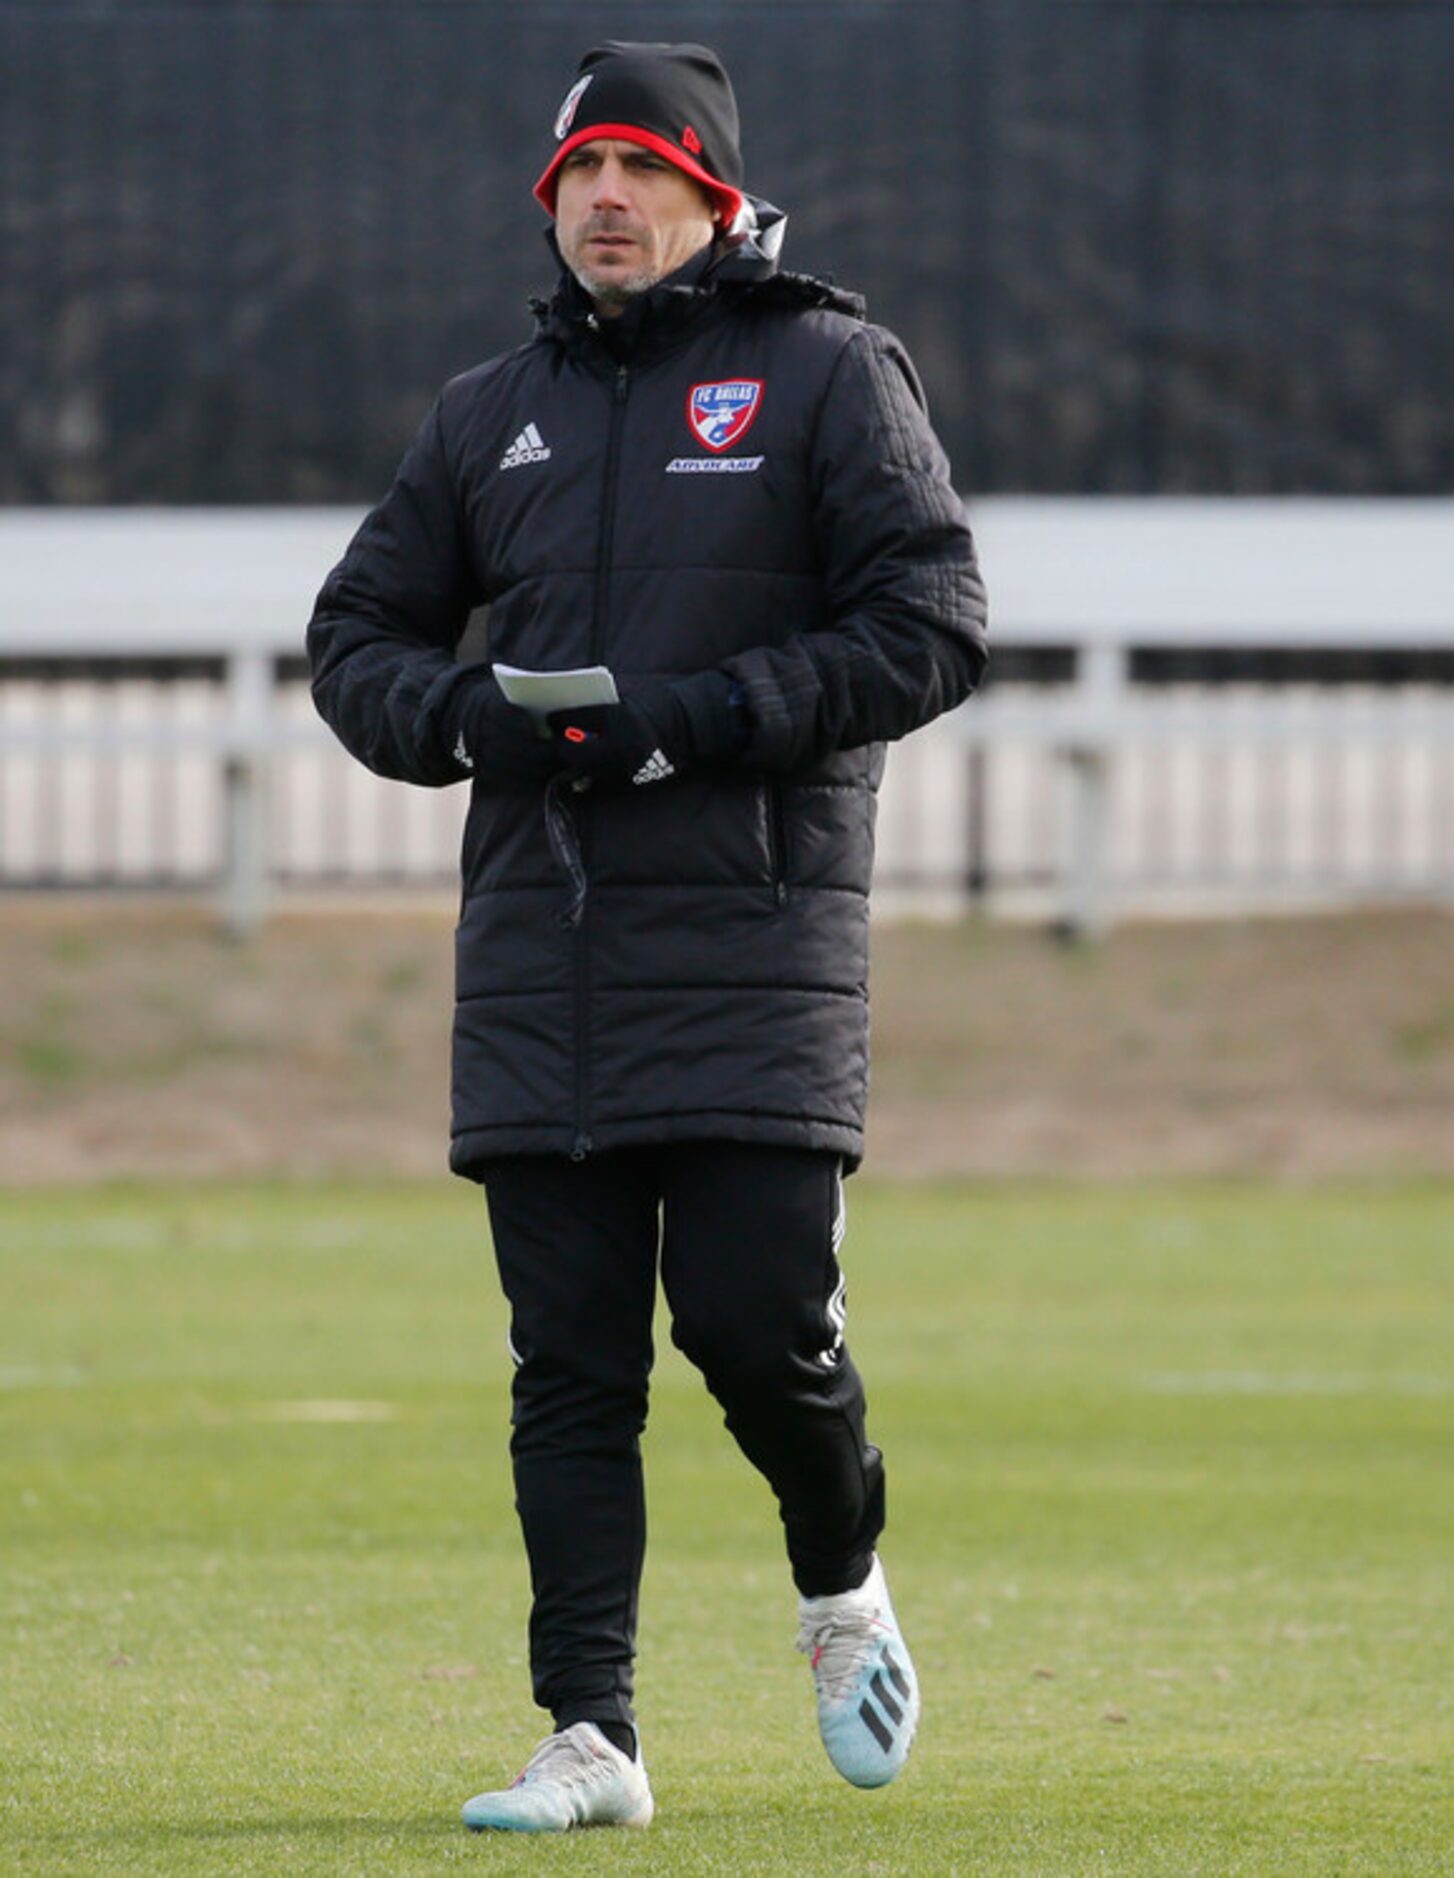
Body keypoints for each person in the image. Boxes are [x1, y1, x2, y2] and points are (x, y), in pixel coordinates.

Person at [305, 40, 987, 1833]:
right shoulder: (484, 413)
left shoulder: (830, 370)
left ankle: (839, 1582)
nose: (603, 200)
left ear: (711, 194)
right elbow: (356, 637)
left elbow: (931, 623)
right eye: (577, 176)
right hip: (546, 960)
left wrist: (692, 713)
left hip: (758, 951)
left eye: (639, 171)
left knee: (759, 1325)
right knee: (569, 1358)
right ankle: (590, 1736)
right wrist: (467, 724)